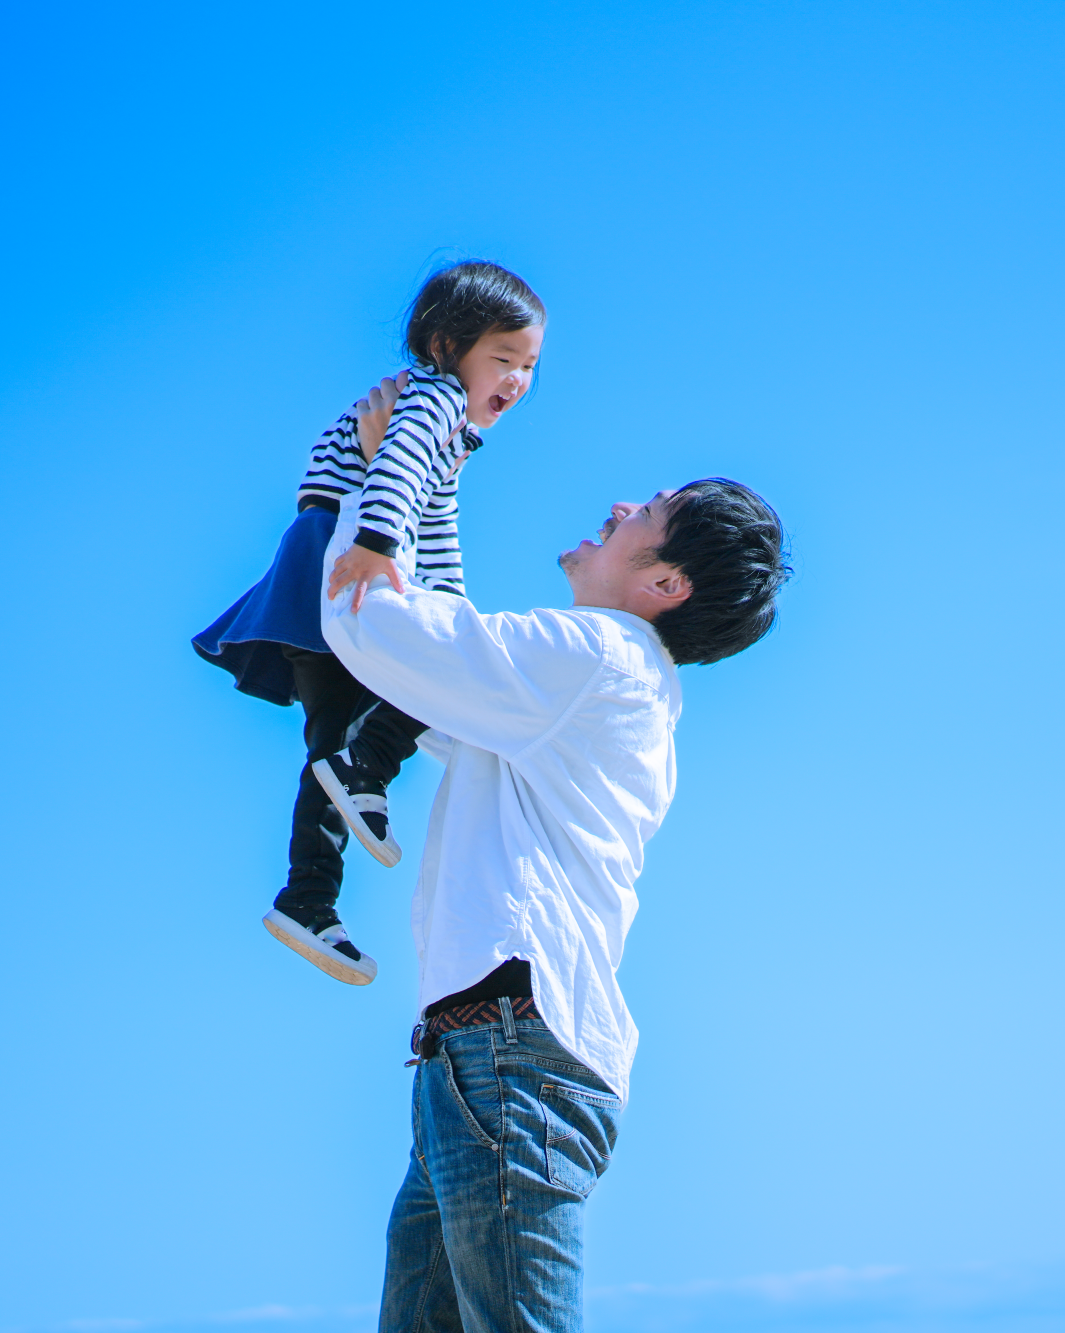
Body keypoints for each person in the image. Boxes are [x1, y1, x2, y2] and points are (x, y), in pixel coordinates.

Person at [319, 433, 790, 1332]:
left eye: (648, 513)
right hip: (484, 1058)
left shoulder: (600, 656)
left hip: (508, 1053)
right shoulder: (605, 685)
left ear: (666, 584)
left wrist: (381, 476)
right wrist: (428, 481)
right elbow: (426, 666)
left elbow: (376, 625)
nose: (619, 507)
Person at [190, 260, 546, 985]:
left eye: (530, 366)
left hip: (334, 556)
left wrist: (450, 606)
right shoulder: (435, 398)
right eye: (504, 358)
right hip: (348, 556)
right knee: (435, 685)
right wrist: (379, 541)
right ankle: (367, 769)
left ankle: (308, 897)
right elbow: (400, 470)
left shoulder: (446, 420)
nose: (517, 380)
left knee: (330, 741)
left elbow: (435, 524)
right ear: (446, 347)